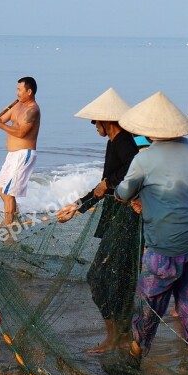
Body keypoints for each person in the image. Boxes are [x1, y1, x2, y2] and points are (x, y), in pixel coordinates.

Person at [114, 92, 188, 375]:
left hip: (167, 241)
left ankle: (135, 355)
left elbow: (124, 191)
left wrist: (127, 194)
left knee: (150, 299)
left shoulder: (145, 158)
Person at [56, 88, 141, 353]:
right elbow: (103, 187)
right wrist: (78, 207)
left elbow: (134, 170)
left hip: (126, 219)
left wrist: (108, 183)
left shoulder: (125, 141)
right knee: (116, 277)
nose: (94, 126)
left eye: (96, 121)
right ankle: (120, 335)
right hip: (118, 217)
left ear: (108, 119)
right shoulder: (114, 141)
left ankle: (116, 336)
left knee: (100, 276)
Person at [0, 77, 41, 226]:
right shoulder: (17, 105)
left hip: (24, 154)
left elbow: (21, 133)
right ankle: (15, 218)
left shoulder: (33, 110)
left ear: (29, 91)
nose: (17, 93)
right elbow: (1, 120)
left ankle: (9, 229)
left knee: (9, 193)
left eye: (19, 89)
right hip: (12, 155)